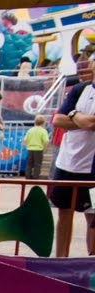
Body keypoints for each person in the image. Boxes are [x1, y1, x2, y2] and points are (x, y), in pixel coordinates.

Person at [49, 76, 95, 256]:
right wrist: (82, 120)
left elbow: (91, 124)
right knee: (64, 212)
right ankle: (61, 260)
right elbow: (58, 120)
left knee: (92, 217)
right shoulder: (79, 89)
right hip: (67, 162)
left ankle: (91, 263)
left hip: (91, 168)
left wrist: (74, 114)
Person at [23, 114, 48, 180]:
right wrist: (44, 149)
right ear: (43, 122)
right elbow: (46, 141)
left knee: (29, 164)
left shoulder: (30, 130)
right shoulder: (43, 131)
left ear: (35, 121)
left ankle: (28, 176)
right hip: (39, 149)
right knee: (37, 165)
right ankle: (35, 177)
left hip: (30, 149)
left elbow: (25, 140)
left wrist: (27, 146)